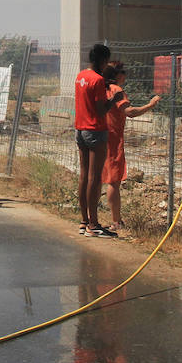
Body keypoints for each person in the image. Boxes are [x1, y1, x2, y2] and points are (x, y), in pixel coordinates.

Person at [101, 62, 160, 231]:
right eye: (124, 72)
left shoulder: (101, 89)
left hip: (99, 135)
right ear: (117, 75)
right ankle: (116, 221)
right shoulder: (116, 91)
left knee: (98, 177)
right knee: (113, 181)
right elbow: (130, 112)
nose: (126, 75)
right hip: (113, 139)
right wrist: (150, 105)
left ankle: (92, 219)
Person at [74, 43, 124, 237]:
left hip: (80, 129)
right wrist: (115, 98)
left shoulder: (81, 77)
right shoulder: (97, 80)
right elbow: (101, 109)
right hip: (96, 130)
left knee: (84, 176)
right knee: (95, 178)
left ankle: (84, 221)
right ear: (103, 61)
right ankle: (94, 225)